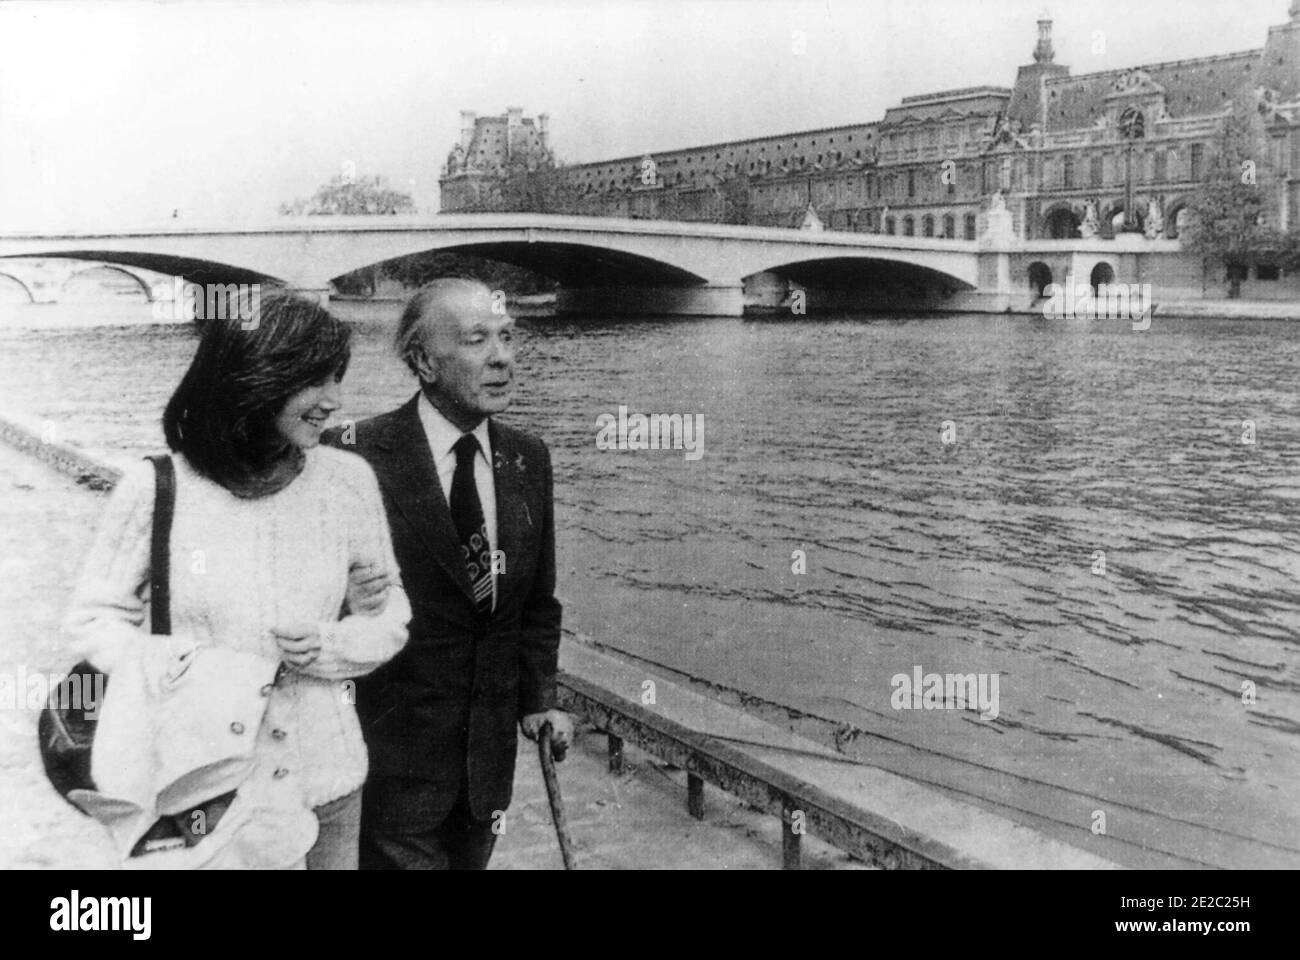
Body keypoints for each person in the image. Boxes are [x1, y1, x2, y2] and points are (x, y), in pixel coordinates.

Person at [64, 292, 411, 869]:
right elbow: (91, 620)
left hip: (327, 783)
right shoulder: (155, 488)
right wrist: (181, 666)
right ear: (256, 381)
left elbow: (390, 610)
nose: (335, 401)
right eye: (316, 382)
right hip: (205, 792)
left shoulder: (349, 481)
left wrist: (334, 644)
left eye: (337, 379)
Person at [323, 277, 572, 870]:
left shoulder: (527, 457)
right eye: (477, 339)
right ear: (423, 361)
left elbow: (536, 602)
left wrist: (540, 698)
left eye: (507, 337)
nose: (502, 357)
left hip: (487, 771)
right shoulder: (353, 456)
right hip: (390, 764)